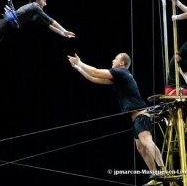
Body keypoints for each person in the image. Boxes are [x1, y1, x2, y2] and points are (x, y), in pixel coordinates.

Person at [68, 53, 165, 186]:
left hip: (142, 115)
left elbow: (96, 71)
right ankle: (156, 176)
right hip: (136, 117)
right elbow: (94, 78)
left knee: (146, 141)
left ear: (121, 63)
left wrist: (80, 63)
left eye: (116, 58)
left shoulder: (121, 72)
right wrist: (78, 68)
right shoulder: (119, 76)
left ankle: (164, 170)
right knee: (141, 148)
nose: (112, 60)